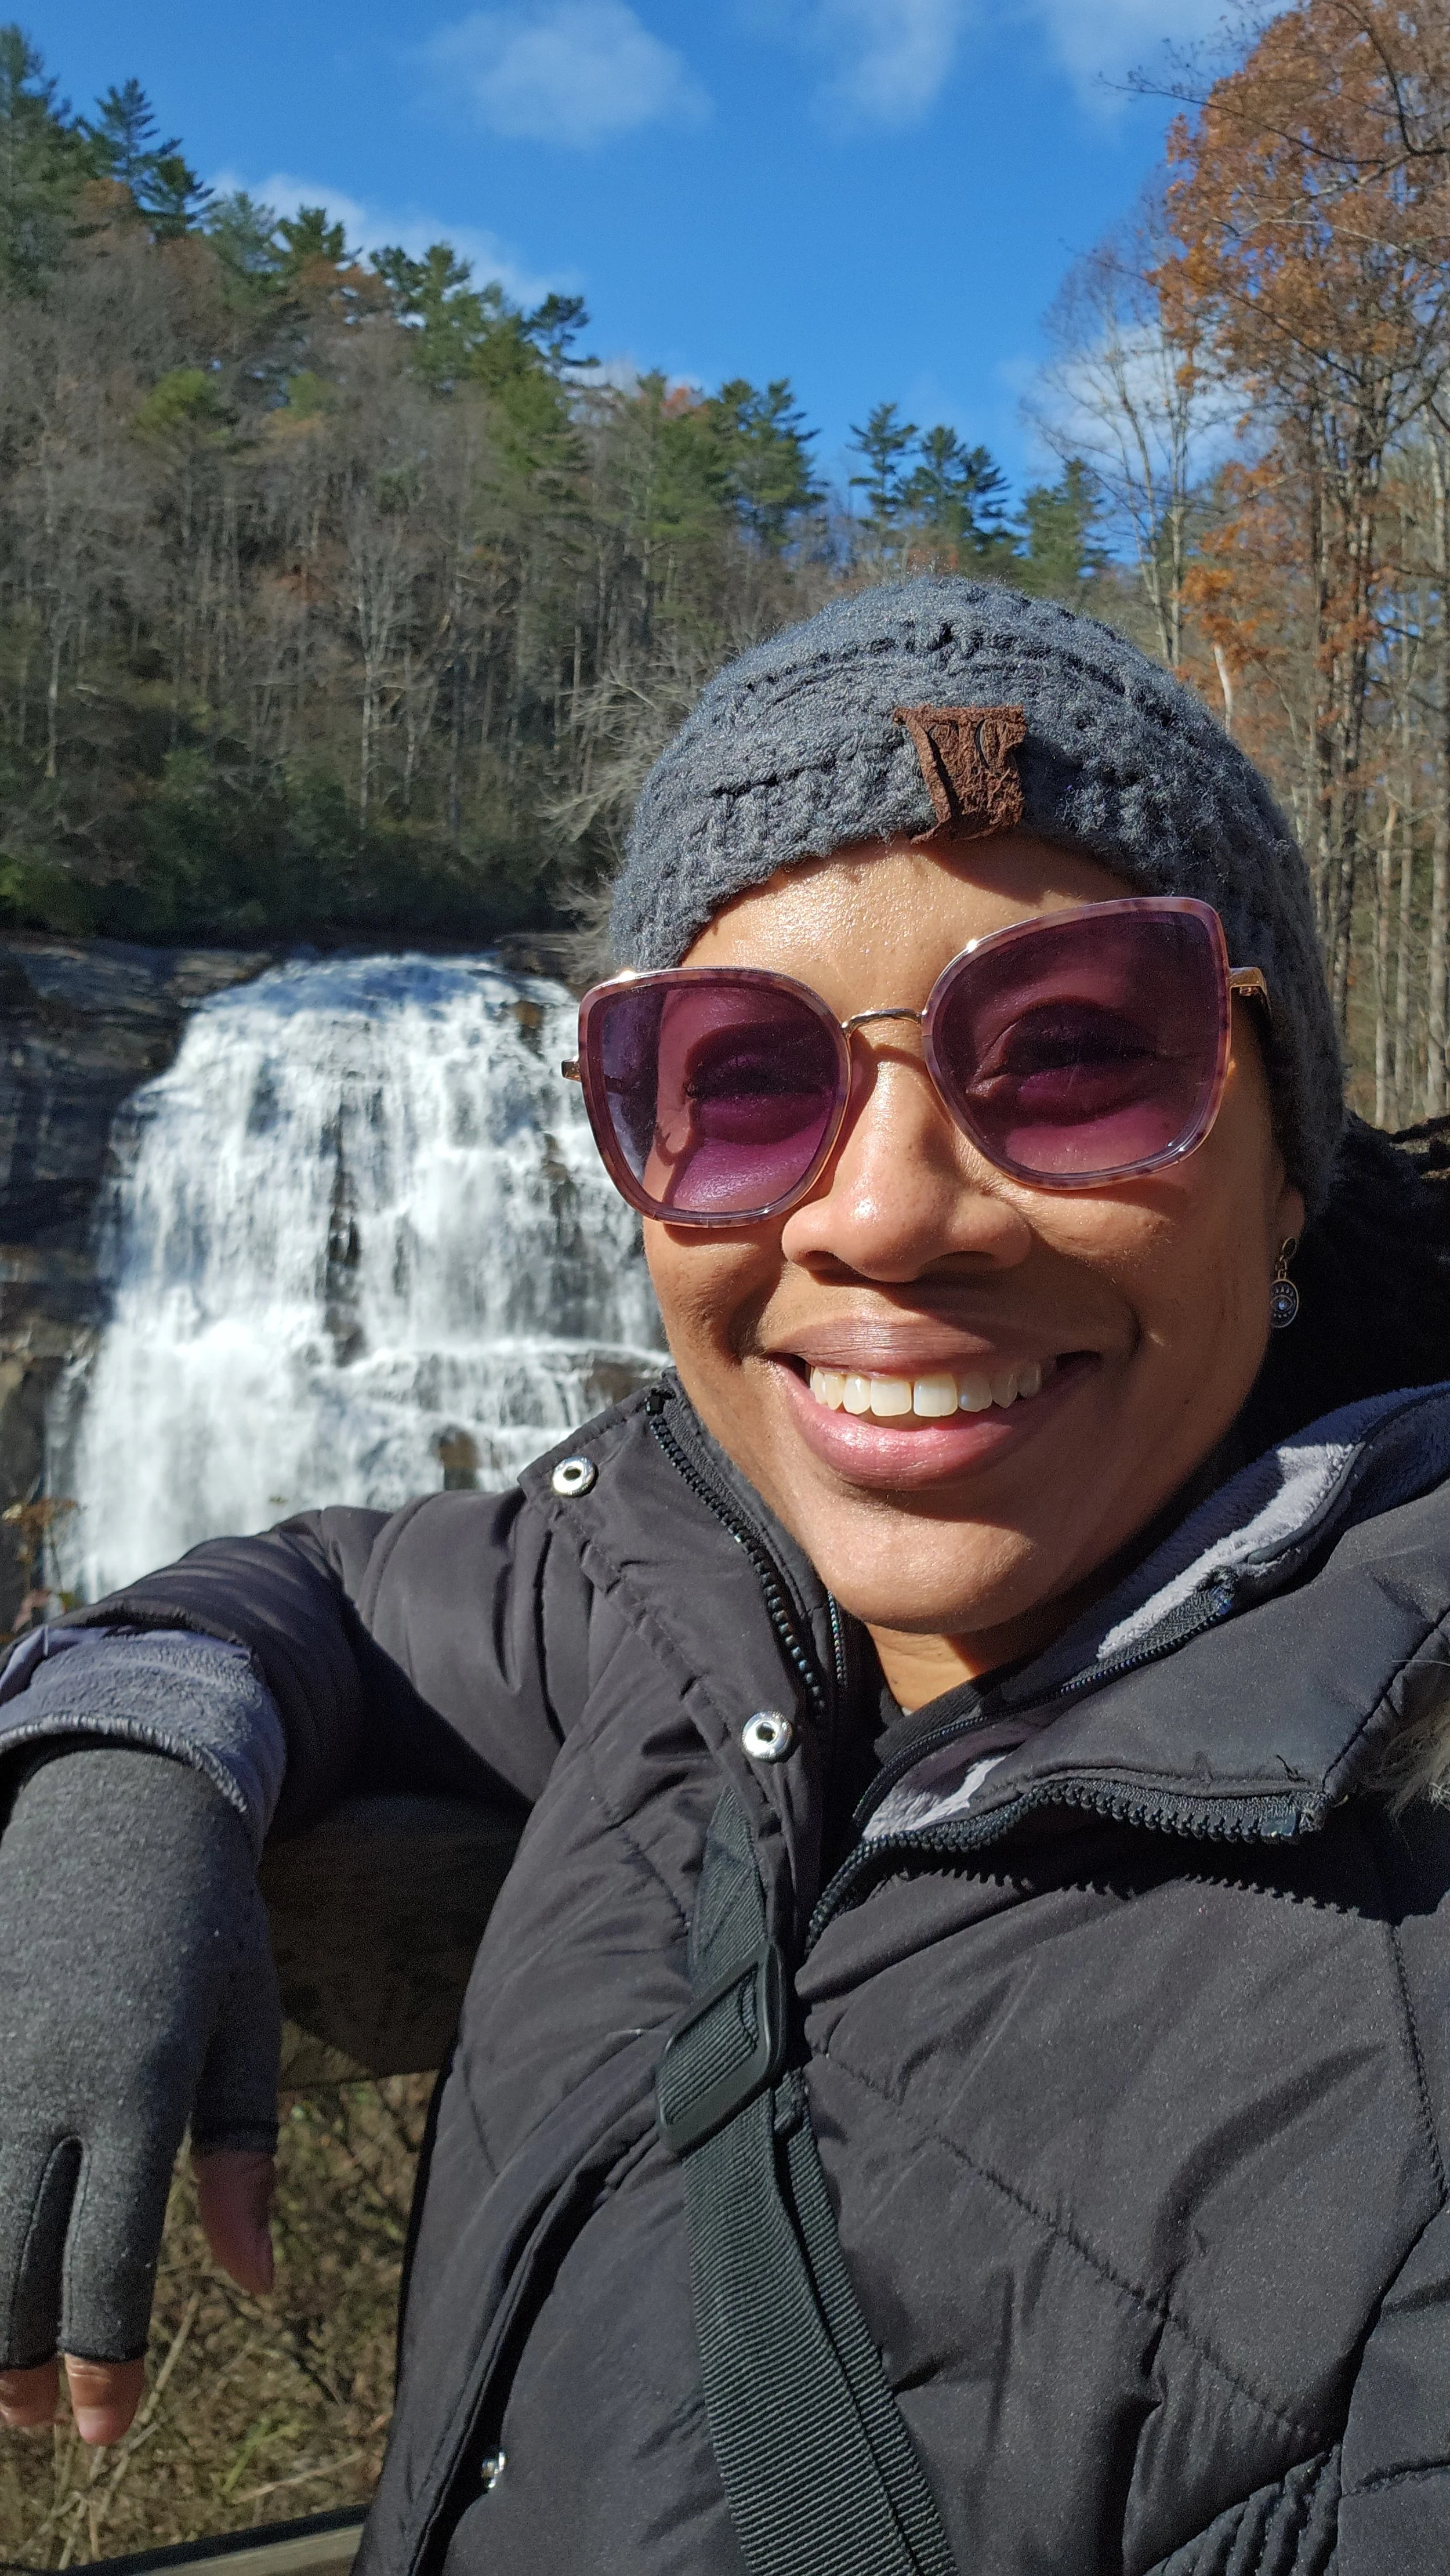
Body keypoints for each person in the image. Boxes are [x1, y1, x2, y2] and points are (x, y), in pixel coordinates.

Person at [3, 577, 1450, 2576]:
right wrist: (122, 1769)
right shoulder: (692, 1574)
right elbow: (319, 1589)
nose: (882, 1213)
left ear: (1287, 1156)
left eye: (1076, 1054)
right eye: (745, 1076)